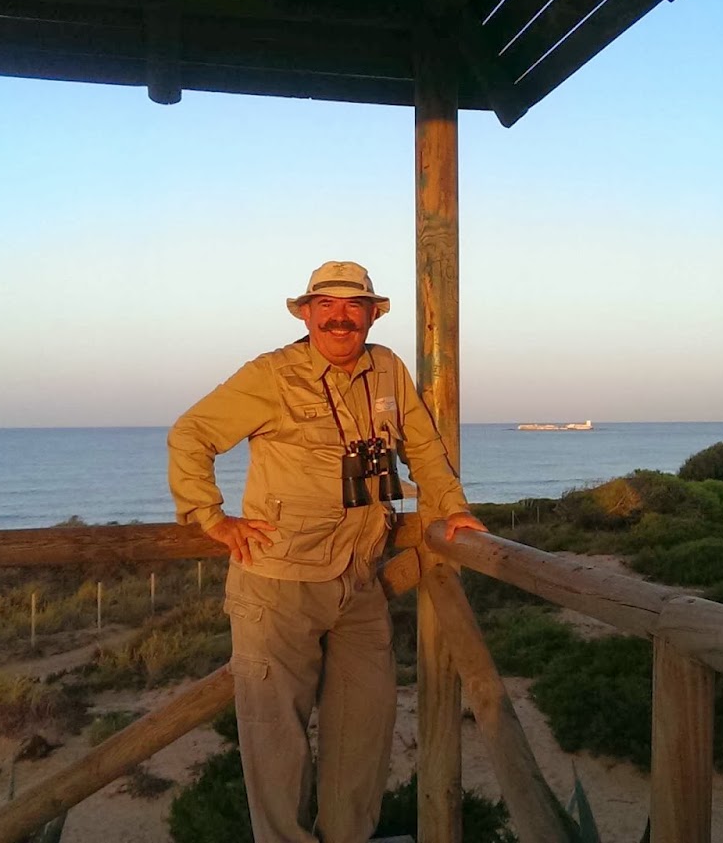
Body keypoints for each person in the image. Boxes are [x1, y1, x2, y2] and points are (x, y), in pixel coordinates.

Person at [167, 260, 485, 843]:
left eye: (353, 306)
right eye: (327, 306)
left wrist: (452, 508)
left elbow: (423, 447)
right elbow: (191, 434)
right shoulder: (271, 374)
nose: (340, 318)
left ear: (371, 315)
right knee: (277, 744)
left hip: (360, 583)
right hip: (279, 584)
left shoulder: (386, 369)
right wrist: (209, 516)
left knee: (364, 733)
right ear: (307, 315)